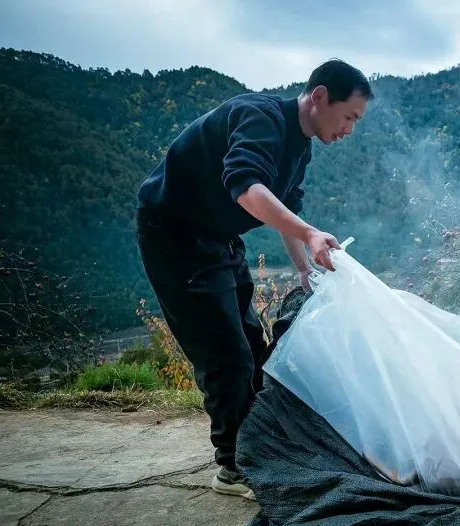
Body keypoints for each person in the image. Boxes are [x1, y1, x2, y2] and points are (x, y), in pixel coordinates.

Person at [134, 58, 373, 500]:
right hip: (175, 235)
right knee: (225, 356)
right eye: (349, 117)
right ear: (320, 97)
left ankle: (256, 446)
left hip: (218, 237)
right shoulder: (260, 117)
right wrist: (310, 234)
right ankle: (233, 467)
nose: (349, 129)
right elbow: (248, 189)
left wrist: (304, 267)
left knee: (251, 344)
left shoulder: (300, 147)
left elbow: (286, 211)